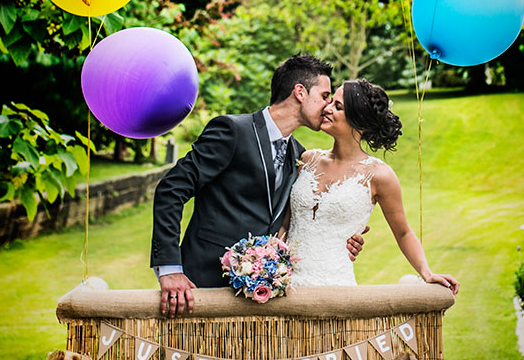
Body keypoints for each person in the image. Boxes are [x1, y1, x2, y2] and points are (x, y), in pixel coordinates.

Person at [150, 54, 365, 316]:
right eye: (324, 95)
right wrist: (171, 269)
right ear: (300, 92)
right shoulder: (232, 131)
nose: (328, 105)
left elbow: (293, 220)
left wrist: (338, 238)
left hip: (261, 299)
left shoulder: (299, 154)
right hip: (200, 287)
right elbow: (171, 190)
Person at [281, 78, 459, 294]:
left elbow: (403, 233)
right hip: (286, 285)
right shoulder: (307, 160)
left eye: (337, 107)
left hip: (335, 286)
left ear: (360, 123)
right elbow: (286, 223)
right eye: (330, 102)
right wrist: (266, 262)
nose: (326, 109)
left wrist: (427, 273)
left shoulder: (380, 176)